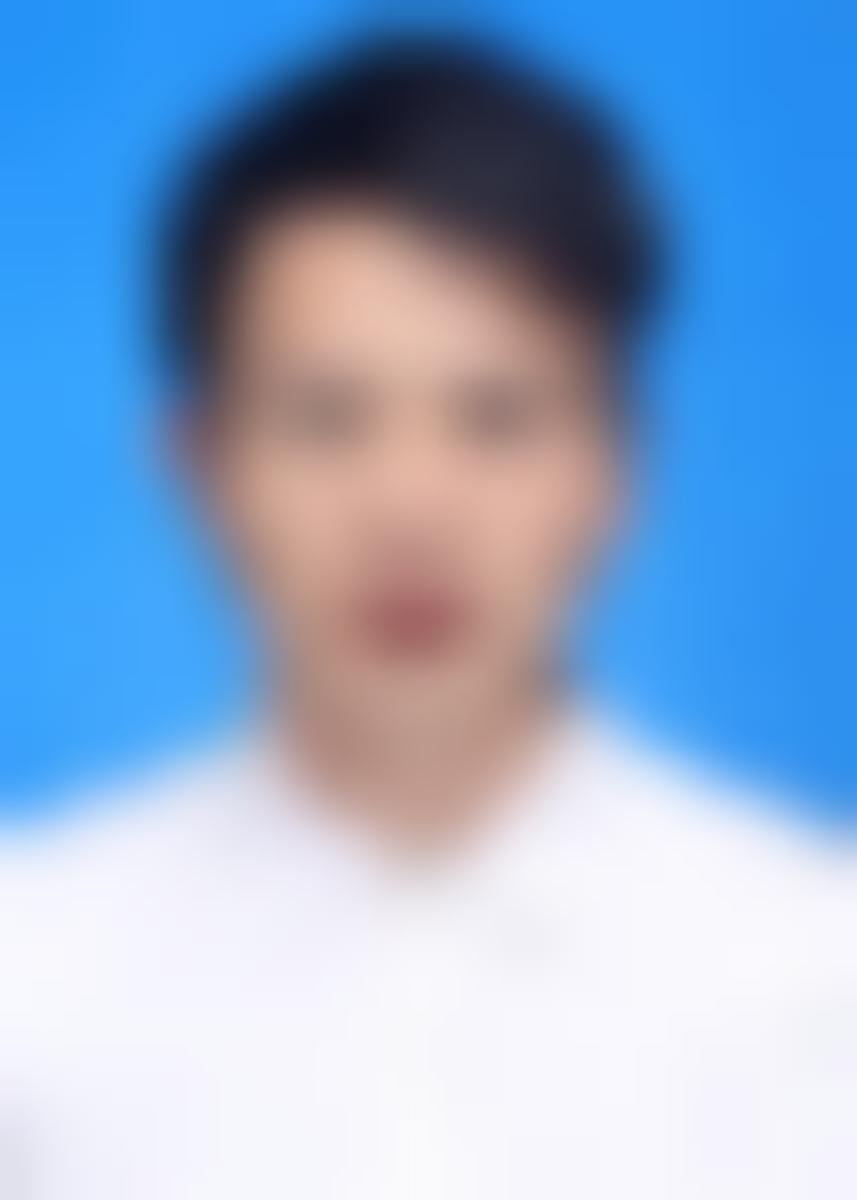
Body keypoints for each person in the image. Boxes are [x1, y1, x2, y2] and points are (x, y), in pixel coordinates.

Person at [1, 39, 854, 1200]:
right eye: (326, 417)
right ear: (200, 469)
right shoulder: (32, 979)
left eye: (494, 417)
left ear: (615, 466)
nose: (410, 507)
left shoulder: (815, 972)